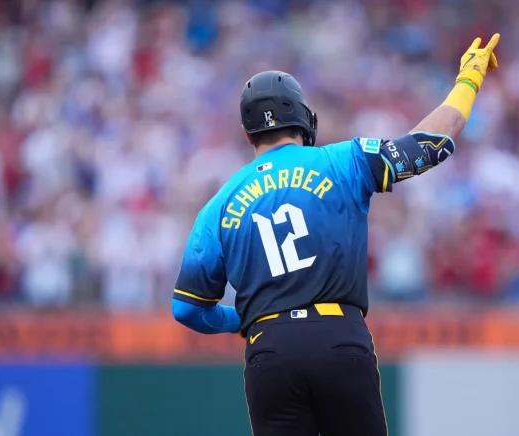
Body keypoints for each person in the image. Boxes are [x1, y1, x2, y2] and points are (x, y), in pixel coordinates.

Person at [171, 34, 500, 436]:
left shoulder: (218, 206)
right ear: (304, 118)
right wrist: (468, 80)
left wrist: (240, 318)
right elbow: (430, 145)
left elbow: (186, 309)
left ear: (247, 133)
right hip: (338, 337)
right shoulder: (344, 159)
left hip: (268, 348)